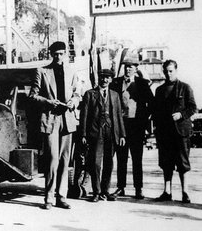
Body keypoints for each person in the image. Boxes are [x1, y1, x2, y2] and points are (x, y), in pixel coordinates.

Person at [29, 41, 80, 210]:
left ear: (65, 54)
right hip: (50, 118)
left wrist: (73, 101)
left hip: (67, 119)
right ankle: (49, 197)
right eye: (56, 53)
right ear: (51, 53)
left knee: (65, 160)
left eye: (61, 53)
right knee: (52, 158)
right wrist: (49, 102)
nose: (59, 57)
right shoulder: (42, 71)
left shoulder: (72, 71)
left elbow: (77, 93)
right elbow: (32, 96)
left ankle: (62, 196)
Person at [153, 59, 196, 203]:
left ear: (176, 71)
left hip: (181, 132)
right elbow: (156, 112)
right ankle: (167, 192)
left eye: (171, 71)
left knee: (183, 162)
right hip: (165, 133)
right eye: (166, 71)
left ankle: (185, 192)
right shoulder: (159, 90)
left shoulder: (185, 87)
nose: (168, 74)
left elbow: (192, 107)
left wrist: (181, 115)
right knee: (166, 163)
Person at [80, 69, 126, 202]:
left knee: (109, 163)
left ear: (111, 80)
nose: (105, 80)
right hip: (95, 132)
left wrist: (122, 134)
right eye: (102, 77)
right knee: (95, 163)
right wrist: (83, 134)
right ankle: (96, 192)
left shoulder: (115, 95)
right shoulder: (90, 94)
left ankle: (105, 191)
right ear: (98, 78)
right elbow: (84, 115)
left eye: (107, 78)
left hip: (111, 132)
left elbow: (118, 116)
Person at [110, 59, 154, 199]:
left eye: (131, 67)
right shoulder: (115, 82)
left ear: (136, 68)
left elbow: (152, 103)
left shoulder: (142, 83)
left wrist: (143, 119)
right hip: (121, 125)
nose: (128, 69)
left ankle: (138, 188)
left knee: (137, 158)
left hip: (136, 126)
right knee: (121, 158)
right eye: (126, 67)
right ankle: (120, 188)